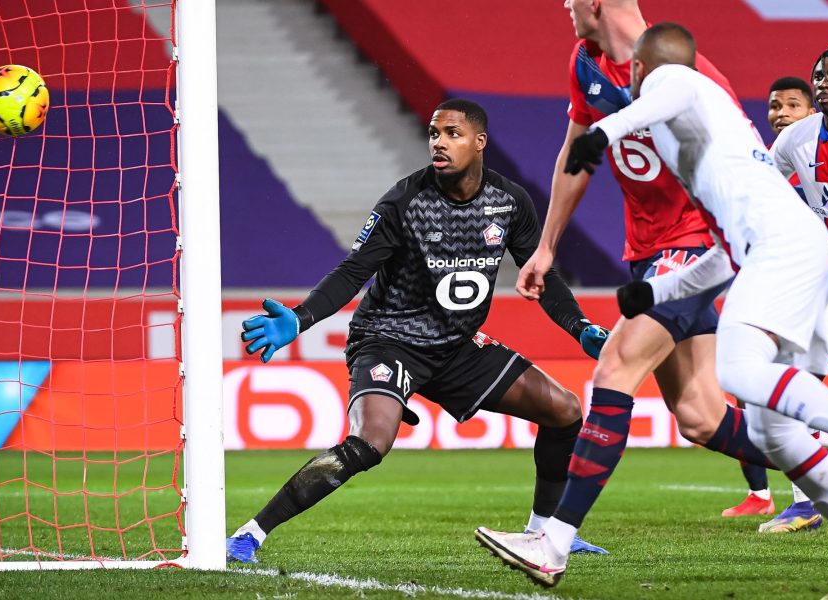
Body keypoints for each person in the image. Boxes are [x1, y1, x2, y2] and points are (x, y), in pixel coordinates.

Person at [476, 24, 828, 591]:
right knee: (732, 421)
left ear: (641, 74)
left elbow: (671, 89)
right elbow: (723, 253)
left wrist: (604, 133)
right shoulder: (695, 148)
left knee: (663, 368)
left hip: (782, 250)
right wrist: (655, 294)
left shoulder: (673, 84)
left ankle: (550, 542)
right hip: (772, 248)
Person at [225, 99, 613, 564]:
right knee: (371, 442)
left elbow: (541, 276)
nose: (439, 143)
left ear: (479, 142)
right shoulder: (405, 201)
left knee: (566, 410)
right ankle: (250, 534)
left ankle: (542, 534)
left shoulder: (509, 202)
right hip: (390, 339)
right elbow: (353, 272)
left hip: (457, 345)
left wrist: (579, 326)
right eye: (434, 133)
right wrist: (301, 318)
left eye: (452, 133)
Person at [515, 0, 778, 540]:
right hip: (646, 252)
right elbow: (576, 155)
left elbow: (752, 165)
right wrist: (546, 247)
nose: (564, 6)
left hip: (694, 245)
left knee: (614, 368)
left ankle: (553, 538)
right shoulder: (585, 62)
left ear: (595, 3)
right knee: (701, 415)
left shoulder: (695, 76)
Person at [723, 76, 823, 530]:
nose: (781, 114)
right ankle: (805, 498)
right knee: (787, 387)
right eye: (774, 106)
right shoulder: (776, 173)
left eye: (792, 106)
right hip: (812, 291)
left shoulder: (821, 161)